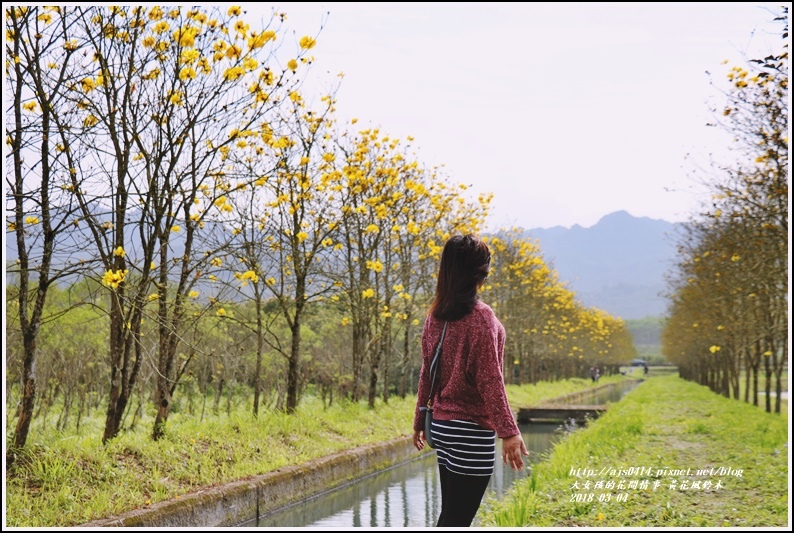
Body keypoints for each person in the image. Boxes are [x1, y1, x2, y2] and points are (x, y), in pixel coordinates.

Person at [413, 234, 529, 527]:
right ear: (482, 271)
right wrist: (509, 431)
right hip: (470, 433)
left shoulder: (435, 316)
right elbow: (491, 380)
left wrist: (419, 420)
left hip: (440, 427)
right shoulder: (481, 316)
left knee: (450, 516)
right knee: (458, 519)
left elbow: (427, 372)